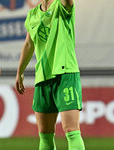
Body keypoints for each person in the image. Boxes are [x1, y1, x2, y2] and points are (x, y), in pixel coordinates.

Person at [15, 0, 85, 150]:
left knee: (72, 131)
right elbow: (29, 44)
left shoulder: (62, 5)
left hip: (65, 74)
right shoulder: (32, 15)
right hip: (43, 77)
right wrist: (20, 72)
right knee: (45, 134)